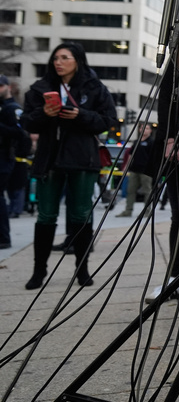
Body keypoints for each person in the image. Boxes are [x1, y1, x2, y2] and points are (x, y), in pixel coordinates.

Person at [22, 43, 117, 289]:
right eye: (55, 58)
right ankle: (38, 271)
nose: (58, 62)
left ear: (78, 61)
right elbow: (27, 122)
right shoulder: (40, 88)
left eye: (65, 57)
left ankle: (82, 269)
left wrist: (80, 115)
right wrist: (44, 112)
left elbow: (108, 120)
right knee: (46, 216)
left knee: (81, 215)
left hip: (82, 160)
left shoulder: (94, 87)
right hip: (50, 160)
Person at [0, 75, 25, 249]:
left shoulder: (13, 108)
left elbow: (20, 133)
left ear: (7, 87)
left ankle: (3, 237)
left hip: (4, 158)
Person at [116, 123, 153, 218]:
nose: (144, 129)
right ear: (140, 129)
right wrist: (126, 167)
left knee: (147, 191)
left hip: (146, 171)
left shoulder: (151, 142)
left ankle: (147, 211)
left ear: (150, 131)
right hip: (134, 170)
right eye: (142, 127)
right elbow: (130, 155)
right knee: (130, 190)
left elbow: (154, 157)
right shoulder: (136, 142)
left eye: (147, 128)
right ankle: (128, 210)